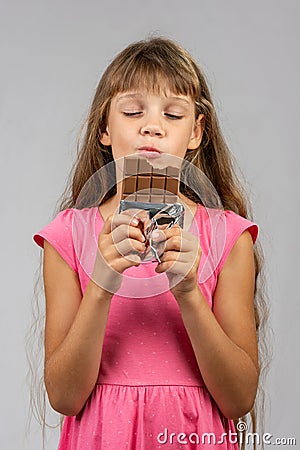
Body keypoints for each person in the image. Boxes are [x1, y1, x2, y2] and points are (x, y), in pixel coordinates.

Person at [32, 37, 268, 450]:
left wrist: (190, 293)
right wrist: (100, 286)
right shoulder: (68, 236)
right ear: (104, 128)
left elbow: (239, 399)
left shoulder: (229, 237)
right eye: (132, 110)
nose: (152, 126)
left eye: (173, 114)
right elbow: (64, 397)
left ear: (196, 133)